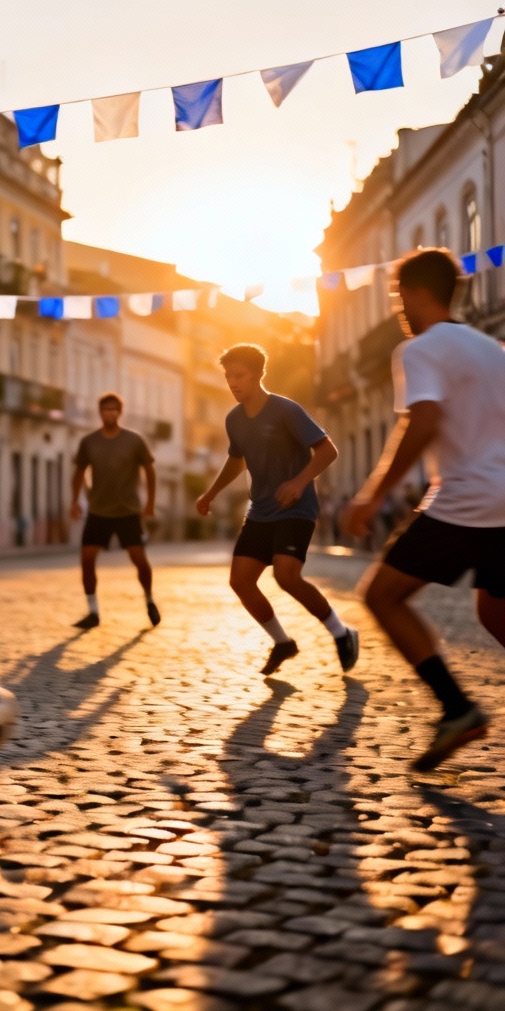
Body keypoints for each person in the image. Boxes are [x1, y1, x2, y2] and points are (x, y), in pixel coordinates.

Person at [342, 248, 505, 771]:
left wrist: (373, 492)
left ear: (413, 293)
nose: (397, 310)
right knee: (494, 610)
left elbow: (425, 420)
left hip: (468, 498)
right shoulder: (491, 349)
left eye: (396, 298)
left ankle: (458, 710)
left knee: (383, 595)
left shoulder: (421, 350)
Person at [196, 343, 359, 676]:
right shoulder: (234, 420)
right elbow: (237, 460)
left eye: (239, 375)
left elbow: (328, 451)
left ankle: (342, 633)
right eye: (229, 377)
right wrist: (211, 492)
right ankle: (282, 642)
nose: (233, 383)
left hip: (296, 509)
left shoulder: (286, 410)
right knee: (240, 581)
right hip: (260, 511)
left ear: (258, 374)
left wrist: (299, 482)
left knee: (286, 576)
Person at [70, 392, 159, 629]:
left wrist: (150, 503)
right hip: (98, 511)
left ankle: (149, 600)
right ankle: (93, 611)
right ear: (99, 412)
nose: (109, 413)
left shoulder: (134, 440)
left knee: (138, 558)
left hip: (128, 511)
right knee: (87, 559)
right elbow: (79, 472)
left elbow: (149, 470)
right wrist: (75, 501)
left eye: (113, 409)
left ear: (120, 412)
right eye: (105, 409)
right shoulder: (89, 442)